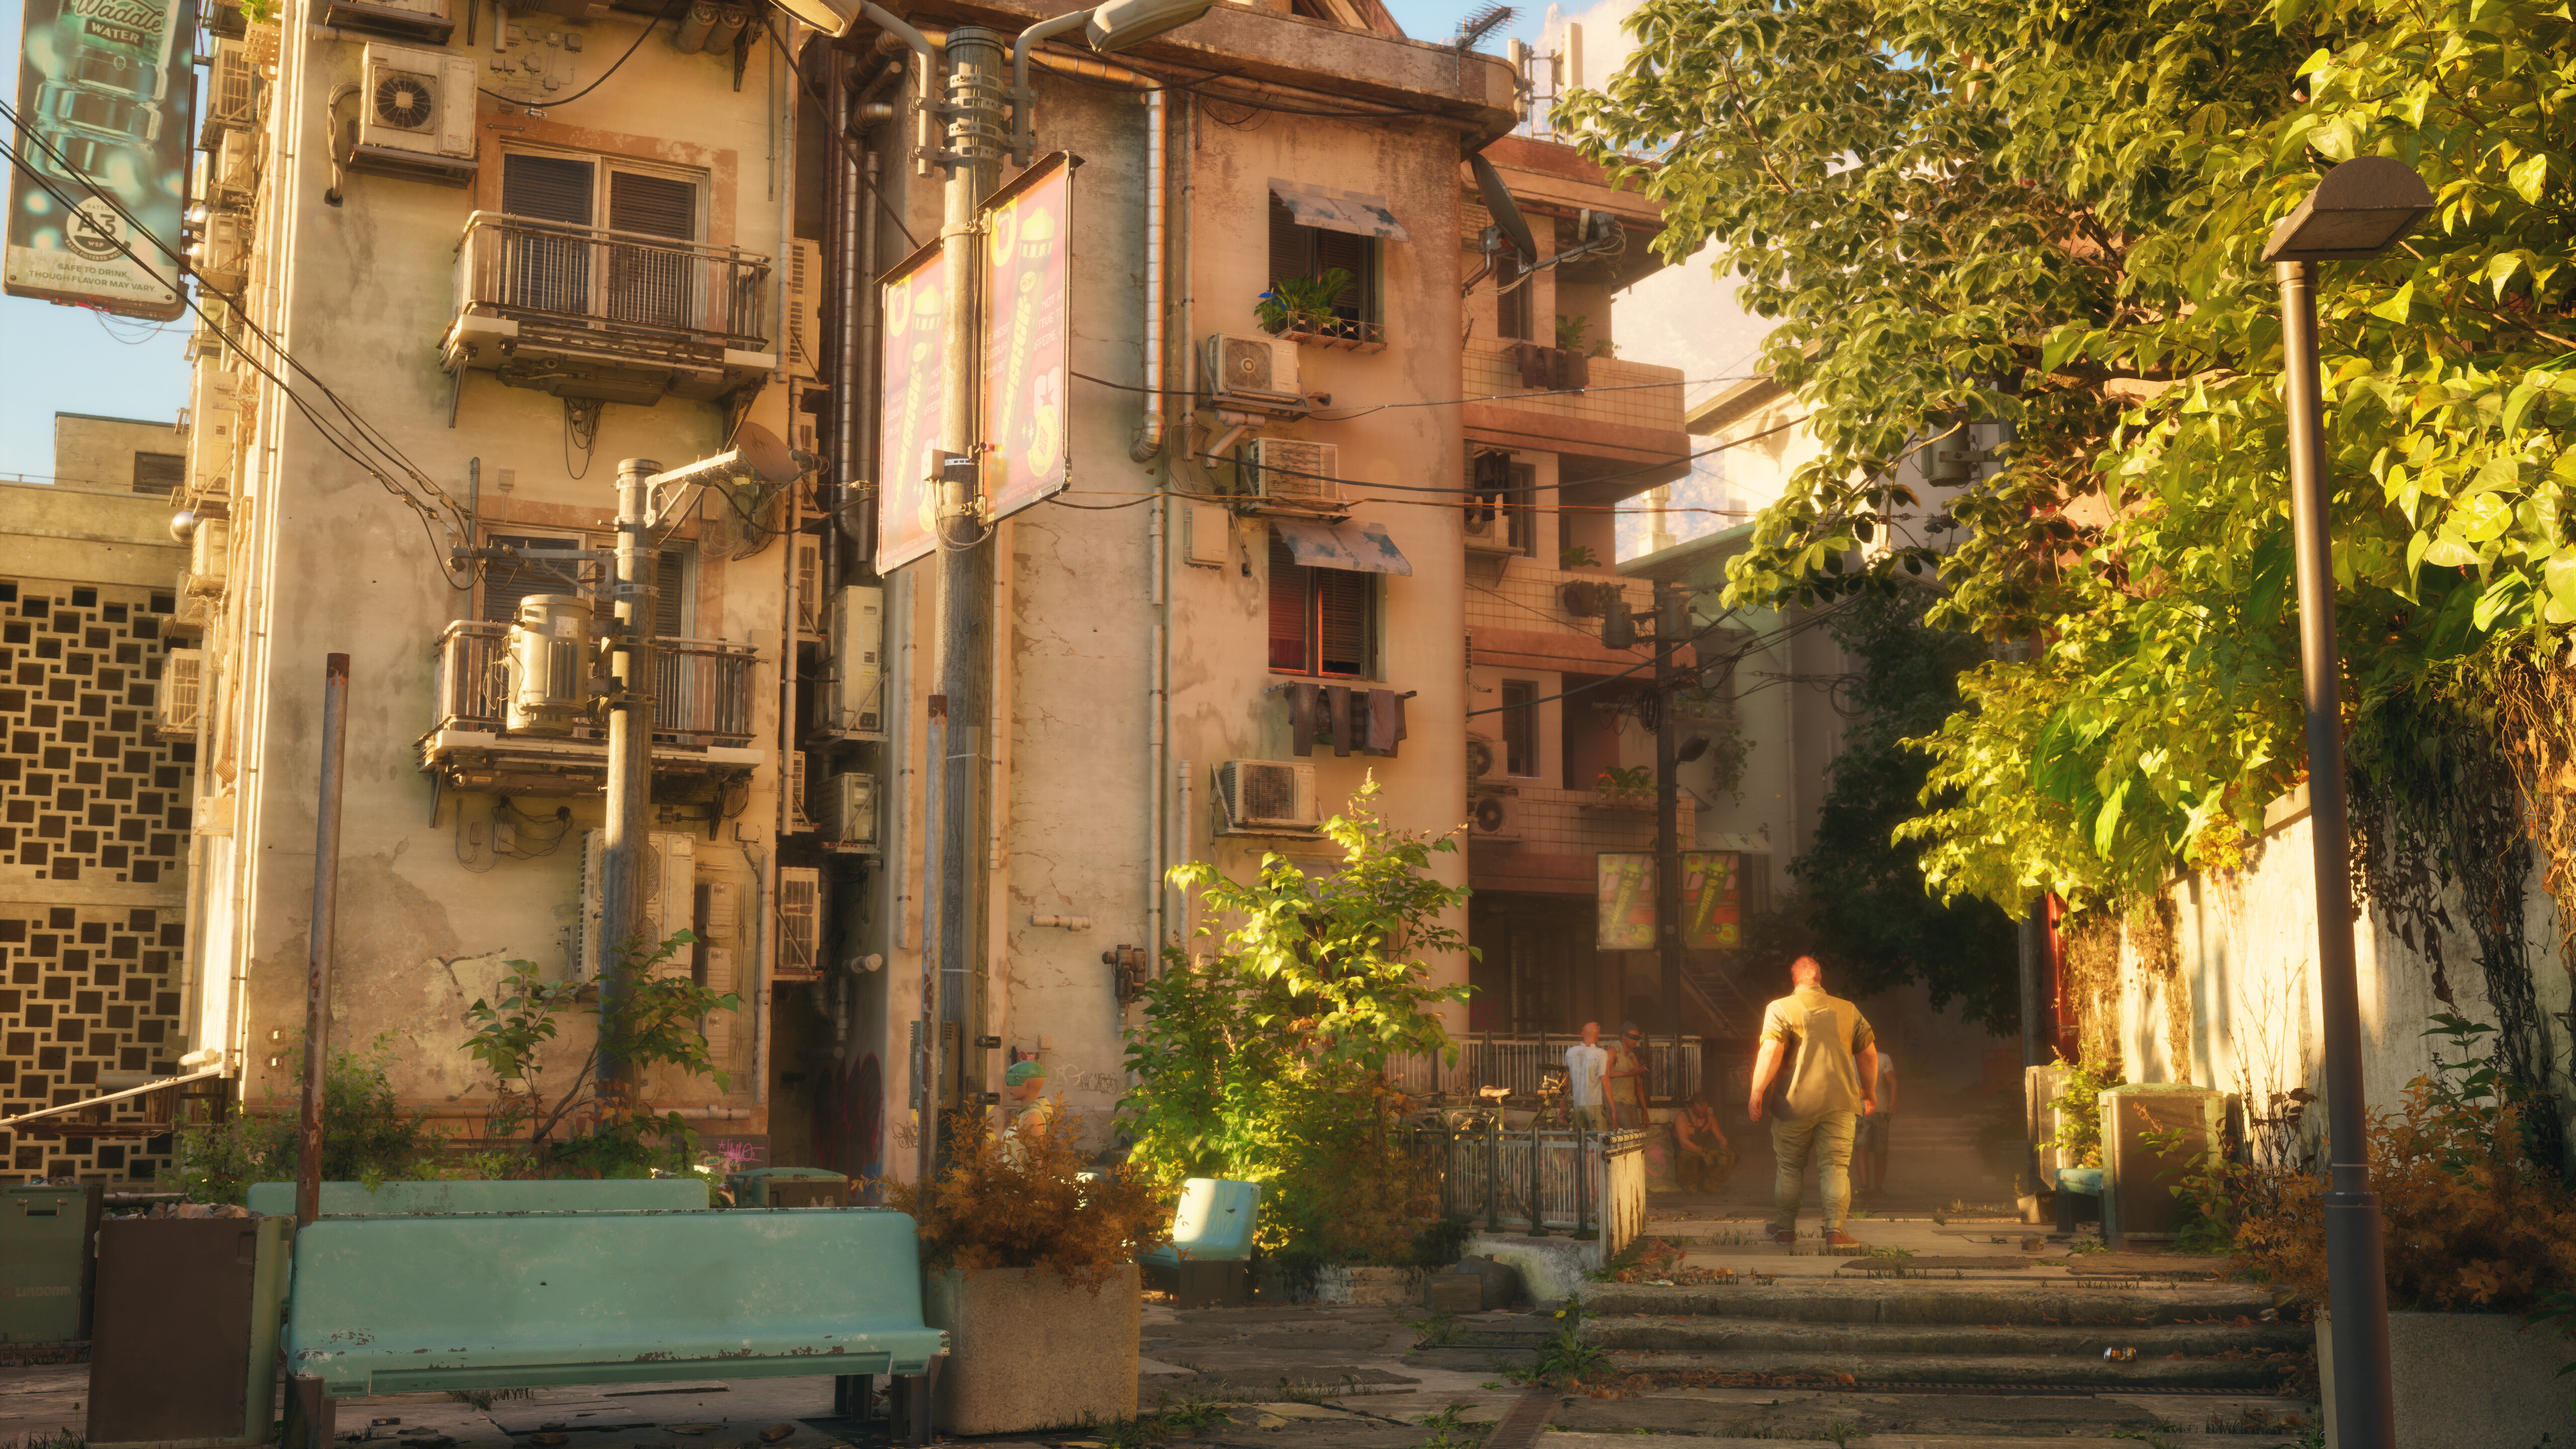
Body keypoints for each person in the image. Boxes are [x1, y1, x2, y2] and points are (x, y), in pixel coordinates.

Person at [1746, 956, 1877, 1248]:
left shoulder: (1780, 1008)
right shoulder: (1848, 1010)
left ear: (1794, 980)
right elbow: (1868, 1055)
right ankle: (1835, 1233)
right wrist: (1869, 1091)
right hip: (1841, 1102)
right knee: (1836, 1167)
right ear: (1820, 979)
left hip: (1795, 1104)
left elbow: (1771, 1052)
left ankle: (1785, 1230)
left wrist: (1756, 1092)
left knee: (1790, 1167)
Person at [1669, 1092, 1735, 1193]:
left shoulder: (1711, 1118)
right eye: (1698, 1112)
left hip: (1703, 1157)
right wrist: (1703, 1153)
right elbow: (1684, 1143)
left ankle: (1710, 1185)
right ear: (1693, 1107)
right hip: (1685, 1159)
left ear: (1707, 1106)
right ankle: (1689, 1185)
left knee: (1730, 1156)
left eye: (1704, 1112)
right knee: (1689, 1155)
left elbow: (1721, 1139)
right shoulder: (1682, 1117)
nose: (1701, 1115)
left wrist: (1724, 1150)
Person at [1854, 1050, 1898, 1193]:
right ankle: (1865, 1186)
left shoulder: (1883, 1058)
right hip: (1861, 1110)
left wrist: (1894, 1101)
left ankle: (1878, 1187)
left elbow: (1893, 1082)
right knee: (1862, 1147)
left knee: (1881, 1151)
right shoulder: (1851, 1058)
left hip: (1880, 1110)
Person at [1001, 1058, 1057, 1159]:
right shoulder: (1026, 1115)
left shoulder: (1033, 1118)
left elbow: (1040, 1164)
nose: (1010, 1086)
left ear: (1028, 1085)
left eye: (1015, 1080)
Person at [1603, 1022, 1652, 1128]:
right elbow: (1603, 1073)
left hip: (1631, 1103)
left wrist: (1645, 1110)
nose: (1635, 1040)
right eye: (1632, 1037)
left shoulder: (1633, 1058)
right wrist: (1629, 1074)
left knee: (1635, 1137)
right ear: (1624, 1036)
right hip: (1616, 1101)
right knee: (1628, 1137)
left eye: (1637, 1038)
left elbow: (1639, 1086)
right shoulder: (1613, 1051)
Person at [1564, 1022, 1610, 1130]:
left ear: (1582, 1034)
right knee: (1600, 1141)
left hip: (1578, 1105)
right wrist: (1613, 1110)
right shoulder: (1601, 1053)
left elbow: (1565, 1082)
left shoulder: (1570, 1052)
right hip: (1595, 1104)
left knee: (1580, 1142)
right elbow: (1606, 1084)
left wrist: (1563, 1105)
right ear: (1598, 1035)